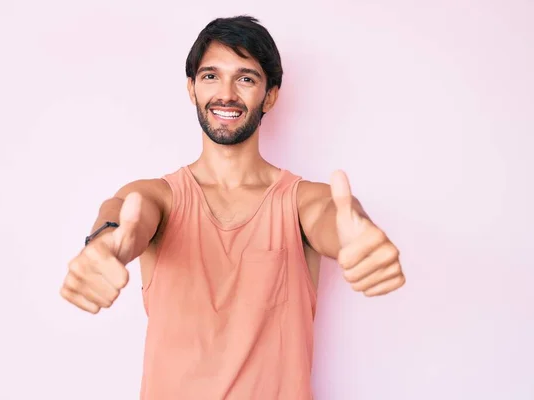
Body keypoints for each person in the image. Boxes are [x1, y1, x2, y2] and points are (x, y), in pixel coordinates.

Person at [60, 15, 405, 399]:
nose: (226, 94)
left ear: (270, 95)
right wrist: (104, 245)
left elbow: (334, 217)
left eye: (245, 78)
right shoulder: (157, 196)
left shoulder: (302, 200)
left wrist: (355, 233)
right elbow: (125, 214)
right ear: (191, 89)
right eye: (211, 76)